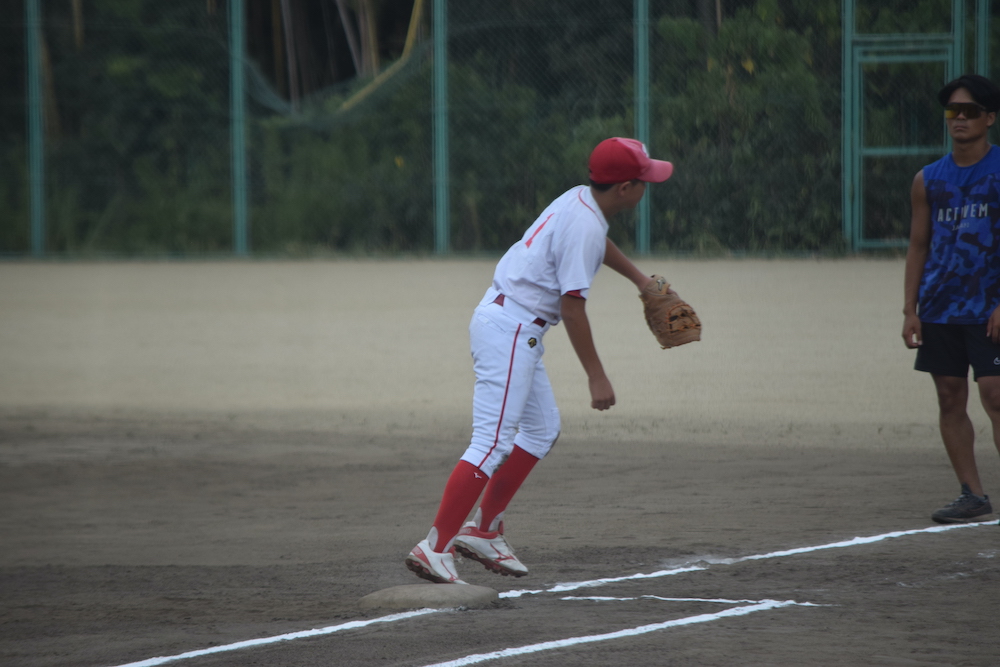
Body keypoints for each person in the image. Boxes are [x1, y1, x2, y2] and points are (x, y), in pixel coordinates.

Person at [405, 137, 676, 583]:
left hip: (511, 325)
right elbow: (572, 309)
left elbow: (596, 244)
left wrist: (639, 280)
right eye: (644, 180)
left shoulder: (582, 199)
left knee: (541, 429)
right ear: (625, 188)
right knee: (491, 443)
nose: (648, 186)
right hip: (509, 331)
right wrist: (596, 376)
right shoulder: (586, 225)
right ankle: (434, 548)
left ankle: (483, 530)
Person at [902, 74, 1000, 525]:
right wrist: (910, 309)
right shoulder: (928, 179)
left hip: (989, 305)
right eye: (952, 111)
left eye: (970, 111)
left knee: (995, 393)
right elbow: (918, 245)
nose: (959, 118)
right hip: (941, 305)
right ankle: (972, 495)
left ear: (989, 118)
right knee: (949, 397)